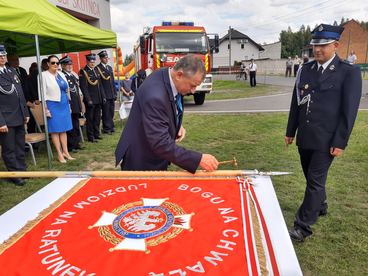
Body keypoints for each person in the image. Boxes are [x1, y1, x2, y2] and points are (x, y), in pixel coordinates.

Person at [285, 24, 362, 242]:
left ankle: (302, 227)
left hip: (327, 139)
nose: (317, 50)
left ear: (336, 45)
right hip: (306, 136)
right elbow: (296, 103)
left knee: (315, 181)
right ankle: (321, 204)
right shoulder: (305, 70)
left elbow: (349, 112)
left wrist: (341, 142)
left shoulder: (349, 72)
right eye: (314, 46)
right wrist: (291, 131)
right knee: (311, 177)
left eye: (323, 46)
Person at [115, 54, 219, 173]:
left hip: (153, 153)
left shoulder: (168, 76)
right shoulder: (155, 96)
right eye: (192, 85)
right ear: (179, 75)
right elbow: (160, 143)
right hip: (142, 159)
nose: (193, 91)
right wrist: (198, 159)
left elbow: (167, 109)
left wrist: (176, 124)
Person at [0, 45, 29, 186]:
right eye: (0, 56)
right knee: (9, 149)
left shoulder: (11, 70)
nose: (2, 58)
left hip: (19, 115)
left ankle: (22, 170)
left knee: (20, 145)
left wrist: (26, 112)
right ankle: (14, 174)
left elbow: (20, 93)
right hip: (6, 119)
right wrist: (1, 122)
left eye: (4, 55)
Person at [41, 55, 74, 163]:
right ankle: (59, 154)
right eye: (53, 62)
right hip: (52, 104)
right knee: (55, 130)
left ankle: (66, 152)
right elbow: (42, 94)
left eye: (57, 63)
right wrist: (46, 109)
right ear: (48, 64)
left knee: (63, 129)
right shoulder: (43, 75)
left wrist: (68, 104)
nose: (55, 65)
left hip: (63, 103)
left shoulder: (61, 74)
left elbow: (66, 89)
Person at [79, 53, 106, 143]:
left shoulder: (96, 70)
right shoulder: (83, 72)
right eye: (91, 61)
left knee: (97, 118)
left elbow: (100, 85)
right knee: (90, 119)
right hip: (90, 99)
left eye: (93, 61)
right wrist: (88, 99)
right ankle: (91, 136)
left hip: (98, 99)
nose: (92, 63)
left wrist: (103, 96)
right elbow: (83, 87)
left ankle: (96, 134)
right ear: (87, 61)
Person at [60, 55, 83, 152]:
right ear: (63, 66)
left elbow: (76, 91)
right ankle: (71, 146)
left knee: (76, 124)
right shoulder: (62, 76)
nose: (70, 66)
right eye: (67, 65)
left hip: (76, 103)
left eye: (70, 64)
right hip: (69, 104)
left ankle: (76, 143)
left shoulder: (72, 75)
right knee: (70, 126)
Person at [96, 50, 117, 134]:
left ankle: (111, 126)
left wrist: (115, 92)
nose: (106, 59)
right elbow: (100, 84)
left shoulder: (109, 68)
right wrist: (103, 95)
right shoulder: (98, 68)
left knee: (111, 111)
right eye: (104, 58)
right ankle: (106, 128)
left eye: (107, 57)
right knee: (106, 112)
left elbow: (112, 81)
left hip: (111, 93)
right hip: (105, 94)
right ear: (101, 58)